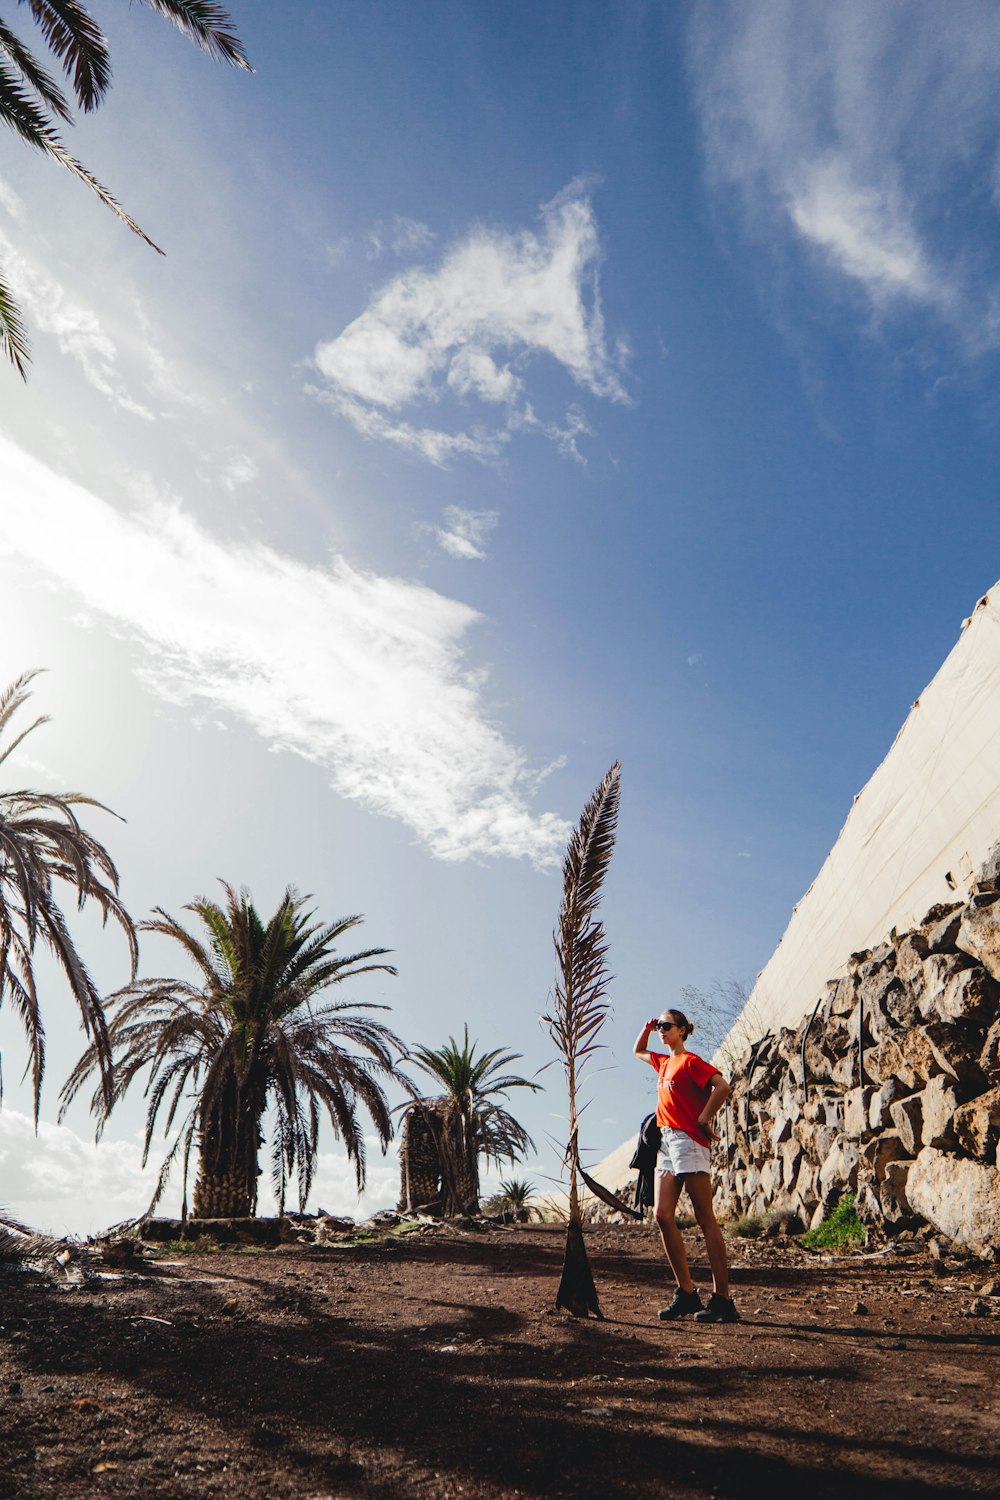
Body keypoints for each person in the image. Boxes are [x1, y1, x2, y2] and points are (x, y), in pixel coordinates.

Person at [633, 1008, 739, 1323]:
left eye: (666, 1026)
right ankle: (687, 1294)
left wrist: (704, 1117)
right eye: (660, 1026)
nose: (661, 1030)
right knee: (663, 1215)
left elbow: (722, 1086)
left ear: (681, 1030)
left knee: (705, 1219)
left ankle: (723, 1300)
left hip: (689, 1141)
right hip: (666, 1143)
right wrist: (646, 1027)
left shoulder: (690, 1062)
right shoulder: (663, 1062)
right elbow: (638, 1051)